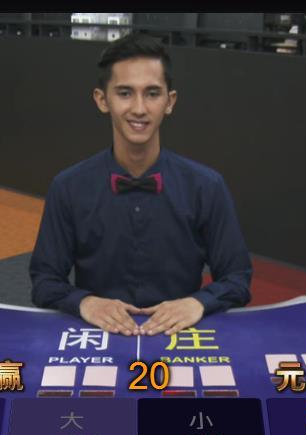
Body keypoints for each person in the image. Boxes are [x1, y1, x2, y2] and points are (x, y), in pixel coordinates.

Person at [30, 33, 252, 336]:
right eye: (125, 93)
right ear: (102, 100)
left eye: (152, 93)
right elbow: (44, 281)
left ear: (169, 102)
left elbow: (237, 277)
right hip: (97, 338)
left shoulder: (207, 187)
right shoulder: (67, 188)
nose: (139, 108)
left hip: (181, 338)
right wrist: (85, 302)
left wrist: (198, 302)